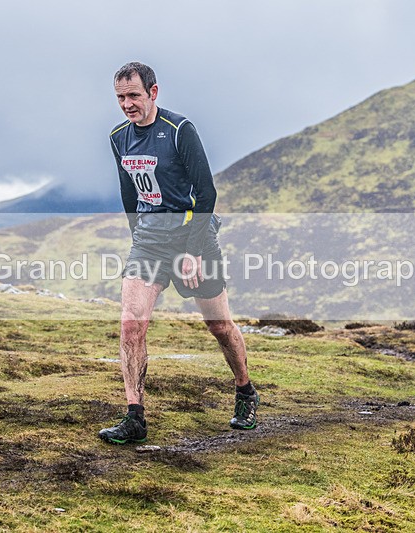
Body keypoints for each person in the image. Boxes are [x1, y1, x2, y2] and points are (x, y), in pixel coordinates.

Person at [98, 62, 259, 444]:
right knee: (130, 323)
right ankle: (134, 416)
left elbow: (207, 194)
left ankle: (245, 392)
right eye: (120, 97)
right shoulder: (118, 136)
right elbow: (128, 194)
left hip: (193, 236)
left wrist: (193, 250)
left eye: (134, 96)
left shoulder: (179, 131)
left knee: (219, 326)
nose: (127, 104)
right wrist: (138, 238)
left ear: (153, 93)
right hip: (149, 242)